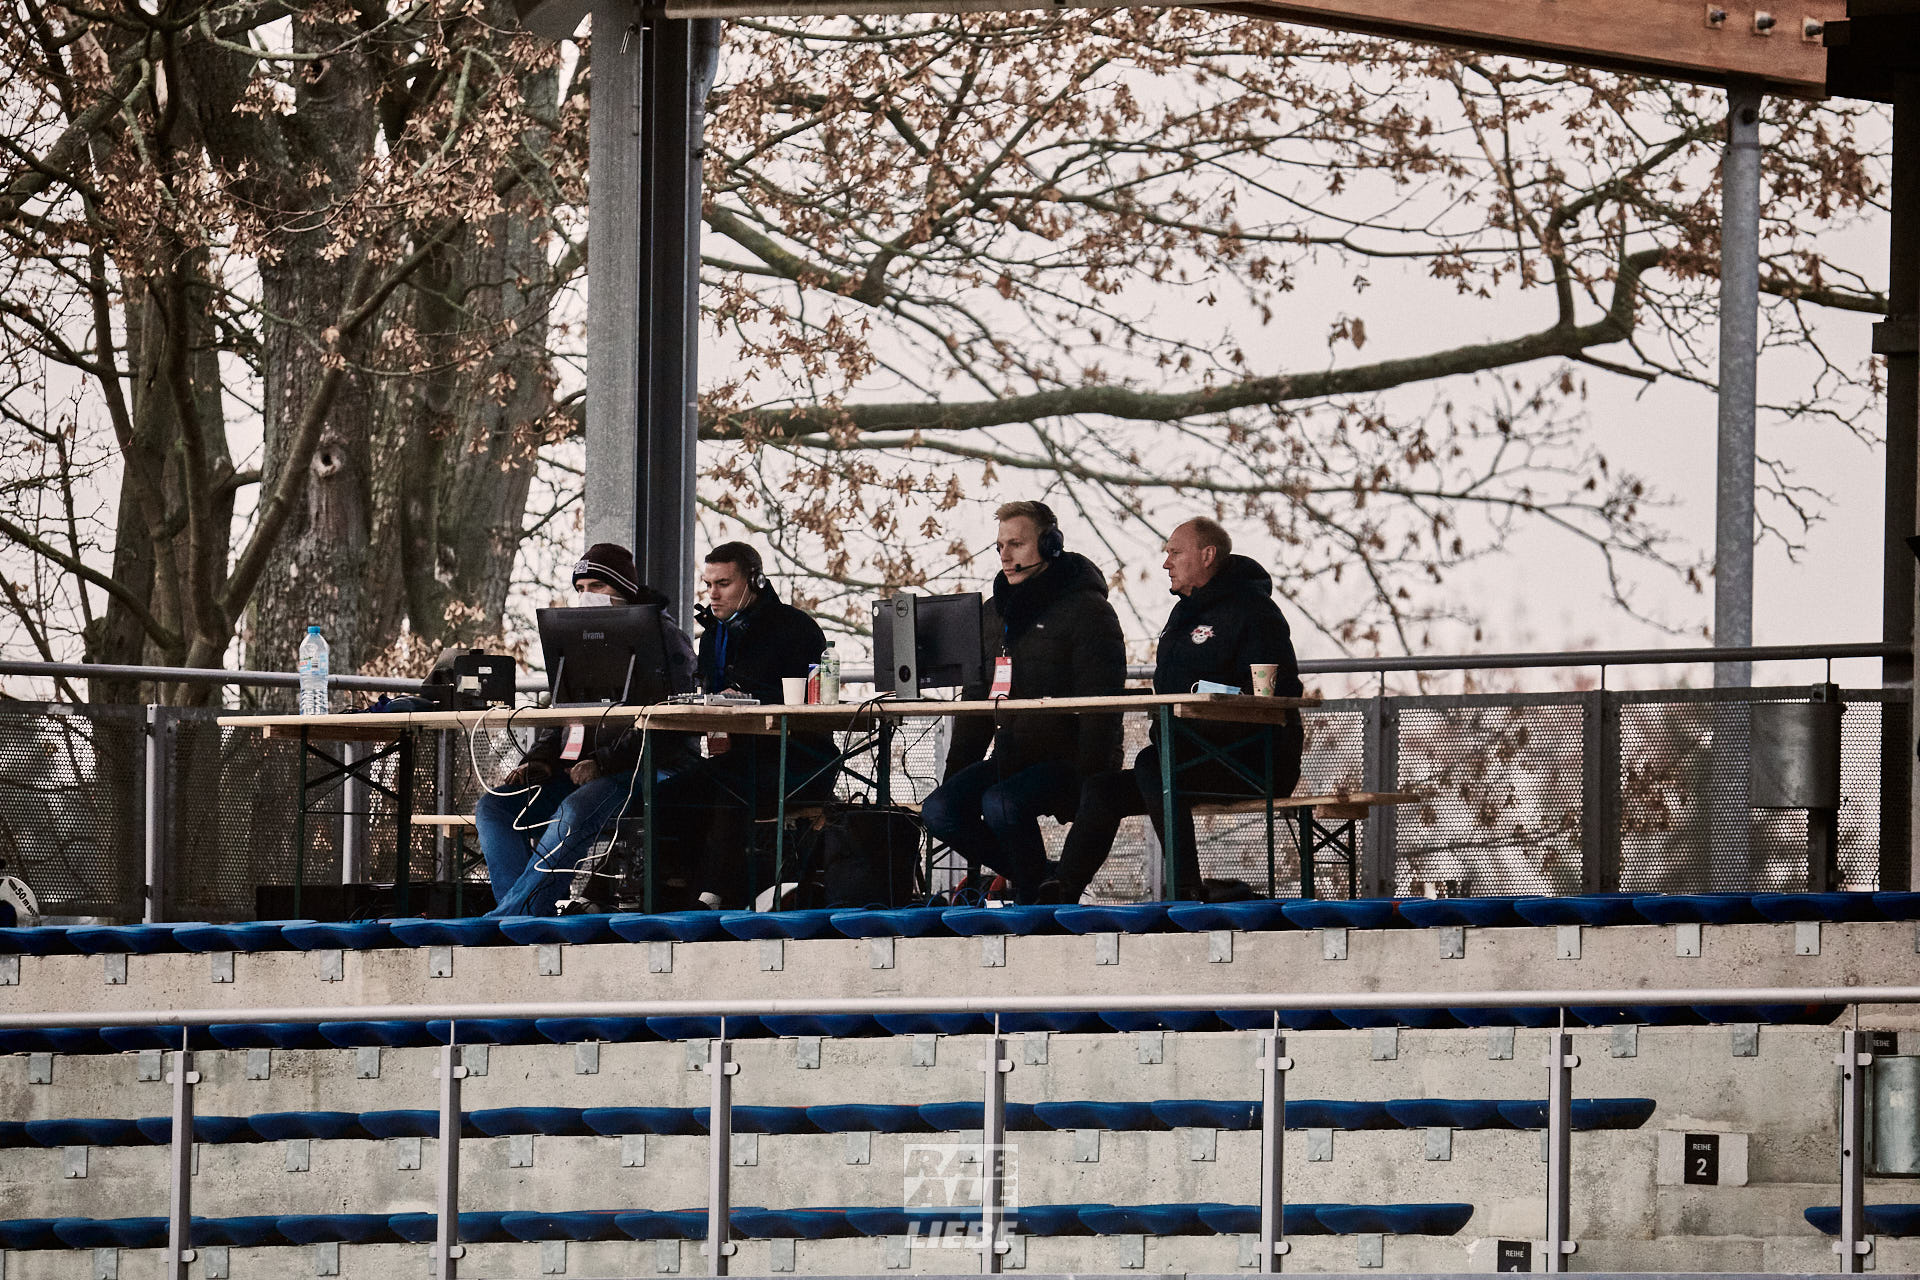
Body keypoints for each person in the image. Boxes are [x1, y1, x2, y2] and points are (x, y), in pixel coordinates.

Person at [1049, 517, 1303, 903]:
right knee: (1103, 789)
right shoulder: (1182, 615)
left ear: (1207, 555)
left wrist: (1212, 705)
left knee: (1154, 764)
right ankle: (1059, 894)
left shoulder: (1255, 611)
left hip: (1254, 762)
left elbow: (1278, 694)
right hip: (1190, 759)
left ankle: (1186, 889)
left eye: (1175, 552)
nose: (1166, 563)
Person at [921, 501, 1127, 902]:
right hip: (1013, 757)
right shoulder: (993, 614)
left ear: (1050, 545)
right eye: (1000, 546)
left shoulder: (1089, 611)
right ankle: (1044, 879)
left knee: (1001, 802)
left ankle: (1037, 894)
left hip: (1070, 759)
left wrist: (1091, 781)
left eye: (1016, 544)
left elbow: (1103, 707)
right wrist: (956, 775)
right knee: (940, 810)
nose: (1005, 555)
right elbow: (976, 704)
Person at [475, 544, 697, 917]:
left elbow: (670, 724)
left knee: (575, 810)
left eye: (597, 586)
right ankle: (523, 913)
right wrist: (542, 759)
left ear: (625, 590)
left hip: (646, 769)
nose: (586, 596)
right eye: (580, 588)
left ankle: (514, 917)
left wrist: (603, 763)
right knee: (495, 807)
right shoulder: (575, 635)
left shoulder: (665, 637)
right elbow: (563, 710)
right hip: (580, 771)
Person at [650, 542, 837, 907]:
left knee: (728, 789)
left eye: (723, 583)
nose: (713, 594)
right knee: (664, 796)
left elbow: (811, 704)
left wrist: (751, 698)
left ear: (756, 581)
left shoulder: (795, 628)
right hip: (739, 758)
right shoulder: (714, 636)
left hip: (800, 760)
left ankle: (711, 896)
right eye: (708, 584)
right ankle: (672, 892)